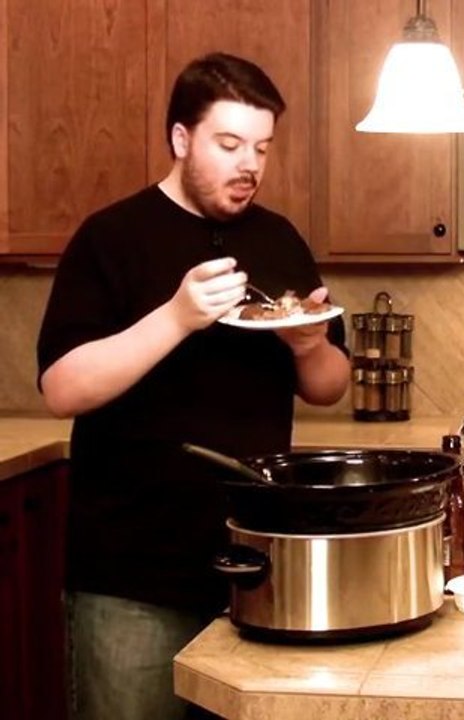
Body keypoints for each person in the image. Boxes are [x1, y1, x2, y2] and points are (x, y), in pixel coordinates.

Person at [36, 52, 351, 720]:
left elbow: (329, 386)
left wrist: (310, 344)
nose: (250, 166)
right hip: (132, 577)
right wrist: (177, 317)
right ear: (181, 140)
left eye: (262, 148)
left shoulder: (279, 238)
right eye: (229, 144)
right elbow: (61, 388)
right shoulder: (113, 237)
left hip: (256, 565)